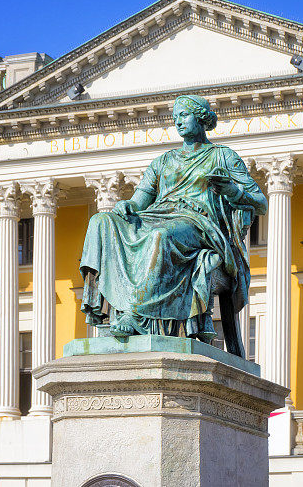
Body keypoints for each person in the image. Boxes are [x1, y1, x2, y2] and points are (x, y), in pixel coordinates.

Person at [79, 95, 267, 346]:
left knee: (161, 235)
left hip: (199, 225)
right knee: (101, 221)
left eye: (184, 115)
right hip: (158, 215)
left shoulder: (223, 157)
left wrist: (232, 191)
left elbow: (260, 202)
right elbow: (140, 201)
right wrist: (127, 205)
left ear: (201, 119)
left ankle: (135, 314)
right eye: (175, 117)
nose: (178, 122)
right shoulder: (164, 161)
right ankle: (104, 308)